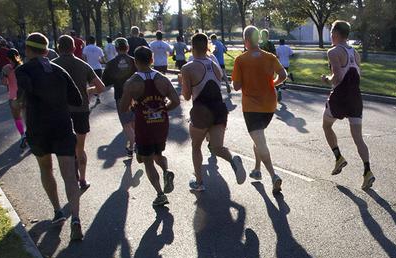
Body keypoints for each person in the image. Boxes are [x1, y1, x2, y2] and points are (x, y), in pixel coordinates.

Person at [15, 32, 86, 241]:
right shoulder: (59, 70)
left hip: (39, 129)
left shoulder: (24, 70)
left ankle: (57, 211)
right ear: (46, 50)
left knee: (46, 168)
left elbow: (22, 95)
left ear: (27, 51)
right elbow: (77, 98)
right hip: (62, 125)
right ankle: (76, 218)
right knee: (69, 174)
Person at [181, 33, 246, 191]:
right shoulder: (215, 64)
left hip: (201, 110)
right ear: (207, 47)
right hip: (219, 109)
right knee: (216, 147)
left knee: (196, 147)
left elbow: (187, 96)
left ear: (192, 47)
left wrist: (183, 81)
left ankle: (199, 183)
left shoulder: (188, 68)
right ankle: (232, 159)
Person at [119, 46, 179, 207]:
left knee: (147, 161)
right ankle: (166, 172)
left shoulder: (132, 83)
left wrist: (132, 103)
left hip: (144, 126)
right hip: (161, 124)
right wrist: (162, 109)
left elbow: (123, 108)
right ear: (152, 59)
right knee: (157, 153)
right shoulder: (163, 79)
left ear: (135, 62)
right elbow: (176, 101)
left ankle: (160, 194)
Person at [232, 25, 286, 194]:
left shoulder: (240, 60)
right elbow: (283, 75)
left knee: (260, 141)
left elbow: (236, 86)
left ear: (245, 40)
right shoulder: (269, 57)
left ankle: (273, 175)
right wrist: (272, 83)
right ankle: (257, 169)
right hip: (270, 105)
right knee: (259, 138)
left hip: (252, 107)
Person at [321, 21, 374, 191]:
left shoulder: (334, 52)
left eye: (331, 32)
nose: (330, 36)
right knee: (358, 138)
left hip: (340, 97)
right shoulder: (355, 53)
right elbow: (359, 74)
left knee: (326, 125)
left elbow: (336, 77)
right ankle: (367, 171)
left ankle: (338, 157)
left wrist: (326, 79)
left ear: (335, 33)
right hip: (355, 97)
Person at [54, 35, 106, 192]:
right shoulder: (83, 66)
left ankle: (70, 180)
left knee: (65, 149)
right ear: (74, 48)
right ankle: (82, 179)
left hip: (60, 111)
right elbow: (101, 87)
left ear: (58, 48)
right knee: (80, 147)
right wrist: (88, 91)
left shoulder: (52, 66)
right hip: (81, 110)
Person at [103, 37, 138, 157]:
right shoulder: (135, 61)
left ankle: (136, 145)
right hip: (136, 96)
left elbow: (105, 83)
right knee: (133, 122)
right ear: (127, 47)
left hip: (121, 97)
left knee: (126, 124)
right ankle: (132, 147)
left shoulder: (111, 64)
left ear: (116, 49)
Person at [1, 48, 28, 149]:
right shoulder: (24, 66)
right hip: (24, 96)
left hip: (13, 96)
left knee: (17, 118)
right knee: (27, 117)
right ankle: (30, 134)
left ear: (8, 58)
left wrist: (6, 75)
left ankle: (22, 135)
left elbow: (4, 83)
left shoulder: (6, 68)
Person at [82, 35, 105, 104]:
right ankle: (98, 97)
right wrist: (100, 61)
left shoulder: (85, 49)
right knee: (98, 83)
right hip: (98, 68)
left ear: (88, 41)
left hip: (89, 68)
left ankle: (90, 98)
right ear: (94, 41)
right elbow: (102, 60)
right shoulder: (99, 49)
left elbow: (83, 58)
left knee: (91, 84)